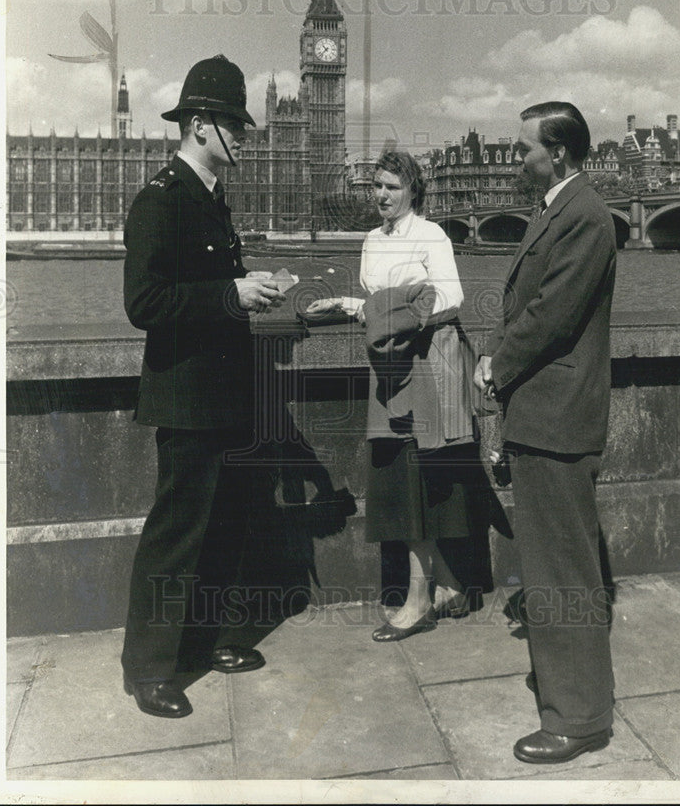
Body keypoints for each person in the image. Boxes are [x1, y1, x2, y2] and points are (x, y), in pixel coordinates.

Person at [120, 55, 285, 718]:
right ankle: (150, 668)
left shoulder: (213, 200)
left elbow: (216, 292)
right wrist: (228, 292)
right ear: (198, 125)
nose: (244, 137)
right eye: (233, 126)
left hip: (226, 394)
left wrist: (254, 292)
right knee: (177, 533)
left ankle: (208, 639)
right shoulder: (160, 199)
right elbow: (145, 302)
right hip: (186, 399)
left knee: (224, 525)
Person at [474, 101, 617, 764]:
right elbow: (522, 304)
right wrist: (494, 355)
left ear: (557, 152)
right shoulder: (557, 207)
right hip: (541, 415)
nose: (516, 157)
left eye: (524, 147)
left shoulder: (583, 216)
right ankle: (567, 695)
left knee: (563, 573)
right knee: (551, 568)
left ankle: (580, 717)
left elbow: (551, 317)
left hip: (559, 419)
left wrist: (495, 367)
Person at [312, 150, 496, 640]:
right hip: (389, 362)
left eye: (392, 186)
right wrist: (349, 304)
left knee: (419, 475)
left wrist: (391, 309)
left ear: (414, 190)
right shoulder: (371, 240)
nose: (381, 195)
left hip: (427, 360)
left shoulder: (431, 234)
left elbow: (450, 297)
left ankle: (419, 600)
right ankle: (451, 584)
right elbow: (377, 305)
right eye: (377, 185)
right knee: (401, 472)